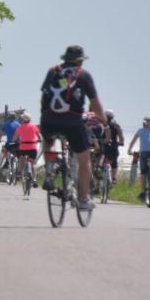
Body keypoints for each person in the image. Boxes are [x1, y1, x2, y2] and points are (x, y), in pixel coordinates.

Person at [38, 45, 107, 209]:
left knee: (48, 142)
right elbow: (94, 102)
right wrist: (102, 119)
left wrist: (45, 116)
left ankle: (50, 167)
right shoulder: (83, 75)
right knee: (85, 160)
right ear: (80, 61)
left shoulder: (52, 71)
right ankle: (83, 198)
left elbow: (43, 98)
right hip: (72, 122)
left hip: (48, 120)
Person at [14, 113, 42, 185]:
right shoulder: (34, 126)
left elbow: (15, 138)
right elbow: (39, 137)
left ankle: (19, 173)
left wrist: (16, 141)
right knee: (33, 164)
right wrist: (38, 140)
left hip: (23, 147)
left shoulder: (20, 127)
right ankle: (35, 179)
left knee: (21, 159)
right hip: (33, 147)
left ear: (23, 120)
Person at [102, 110, 124, 184]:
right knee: (114, 161)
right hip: (114, 144)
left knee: (101, 158)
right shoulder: (116, 125)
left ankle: (100, 176)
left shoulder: (102, 123)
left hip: (104, 143)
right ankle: (114, 178)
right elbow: (121, 136)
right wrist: (121, 142)